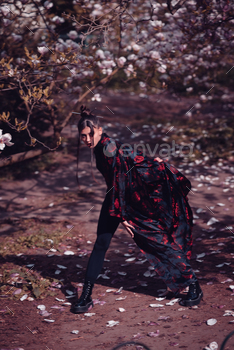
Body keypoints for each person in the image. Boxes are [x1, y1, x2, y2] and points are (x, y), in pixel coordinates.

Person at [71, 105, 203, 314]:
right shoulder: (100, 147)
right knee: (101, 243)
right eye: (82, 137)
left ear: (100, 129)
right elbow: (129, 162)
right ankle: (86, 296)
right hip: (116, 196)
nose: (86, 140)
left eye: (89, 135)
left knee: (157, 239)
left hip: (133, 200)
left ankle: (193, 284)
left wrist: (124, 216)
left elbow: (124, 173)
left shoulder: (108, 147)